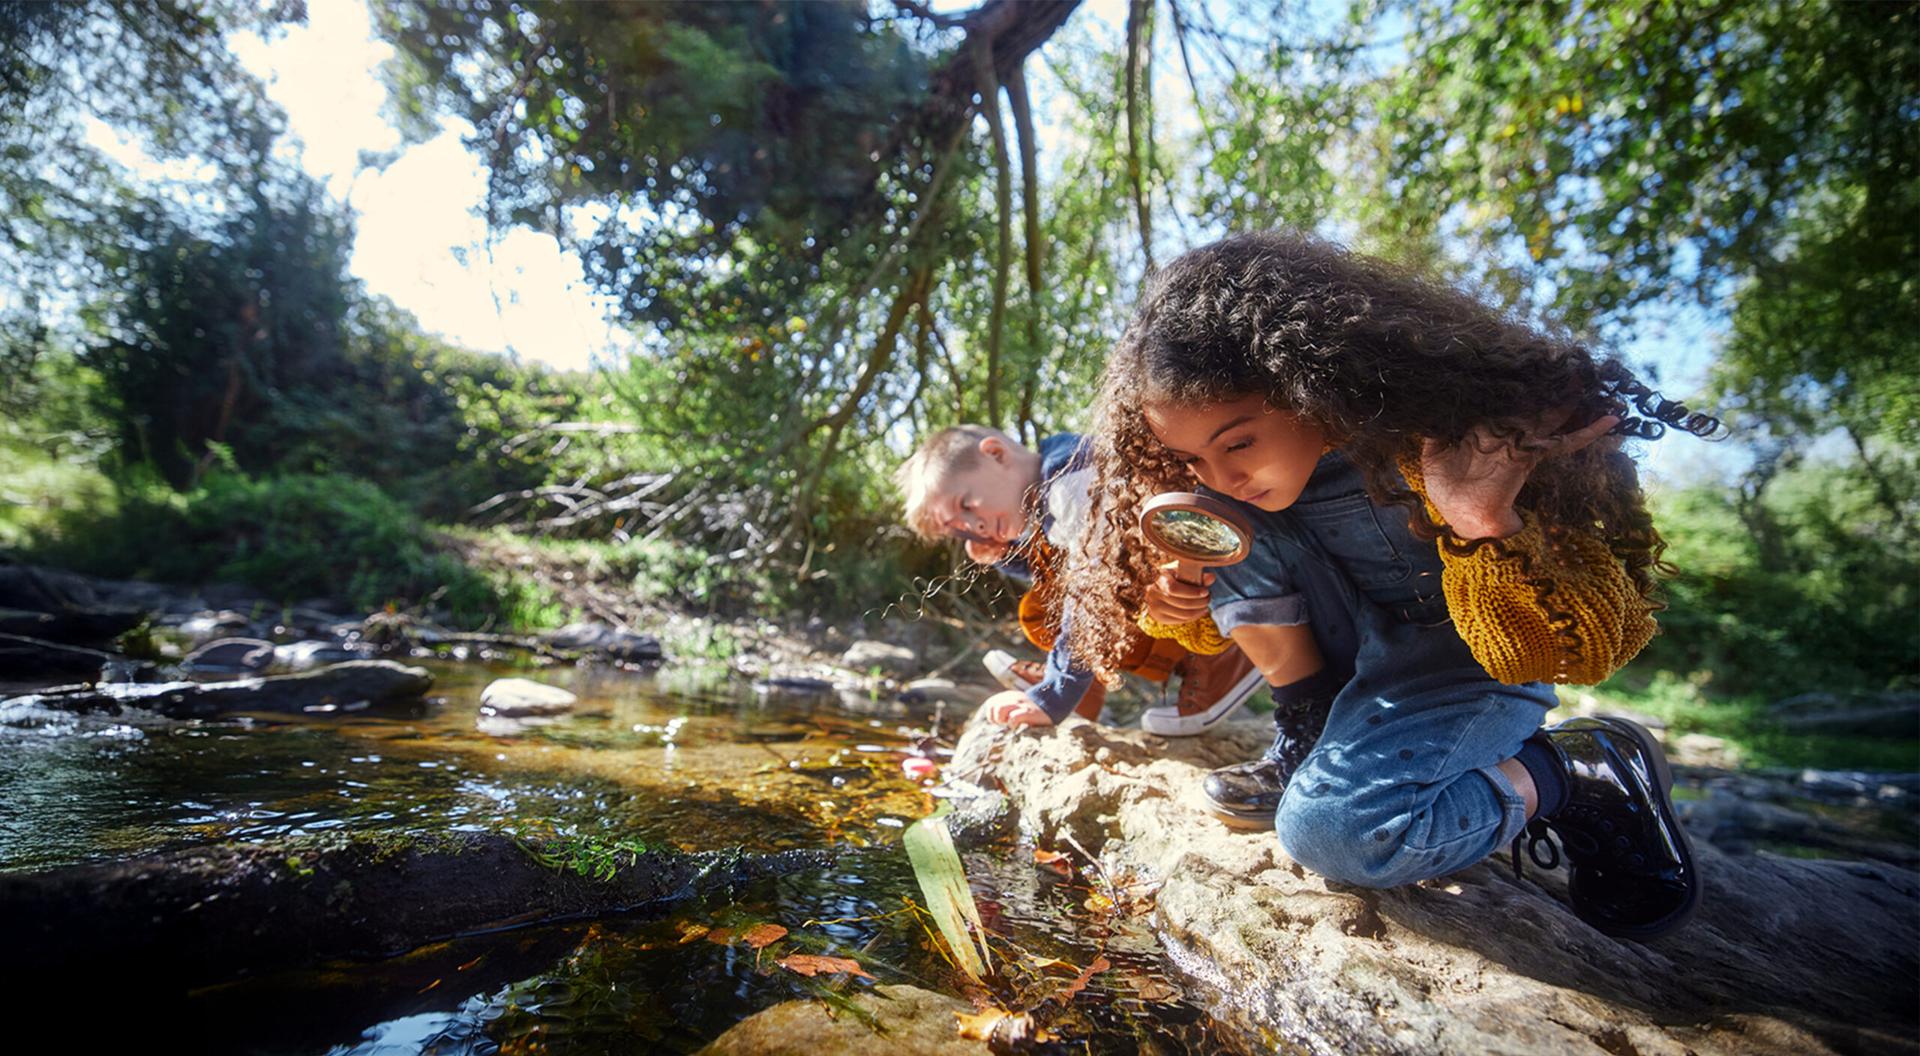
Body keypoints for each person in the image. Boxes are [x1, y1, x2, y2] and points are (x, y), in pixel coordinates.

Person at [1064, 231, 1718, 941]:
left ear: (1305, 383)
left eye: (1238, 441)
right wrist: (1177, 603)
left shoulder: (1460, 439)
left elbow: (1584, 649)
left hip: (1466, 669)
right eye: (1193, 455)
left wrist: (1482, 523)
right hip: (1357, 665)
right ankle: (1308, 733)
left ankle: (1572, 769)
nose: (1219, 473)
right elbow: (1208, 622)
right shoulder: (1226, 492)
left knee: (1337, 836)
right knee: (1217, 517)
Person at [894, 424, 1270, 735]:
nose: (971, 527)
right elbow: (1058, 570)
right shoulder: (1048, 490)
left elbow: (1091, 595)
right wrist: (1005, 553)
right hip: (1177, 598)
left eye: (966, 505)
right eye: (957, 529)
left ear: (995, 454)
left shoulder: (1071, 481)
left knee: (1073, 603)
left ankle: (1227, 662)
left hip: (1219, 589)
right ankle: (1083, 699)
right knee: (1044, 608)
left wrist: (1055, 695)